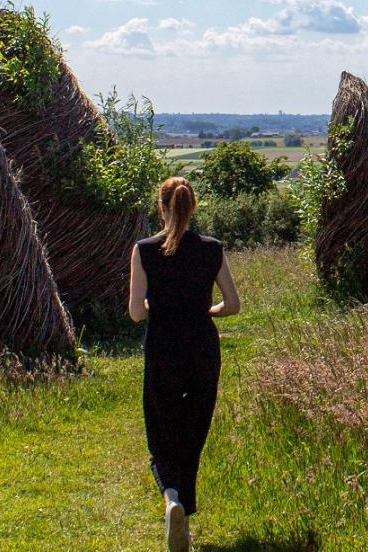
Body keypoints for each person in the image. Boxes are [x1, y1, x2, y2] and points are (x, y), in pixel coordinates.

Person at [128, 176, 240, 552]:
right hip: (202, 347)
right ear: (192, 208)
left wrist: (156, 307)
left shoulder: (143, 250)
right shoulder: (212, 250)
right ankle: (183, 515)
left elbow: (135, 312)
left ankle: (172, 497)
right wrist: (207, 309)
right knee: (193, 427)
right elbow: (233, 304)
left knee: (161, 427)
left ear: (161, 207)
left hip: (163, 345)